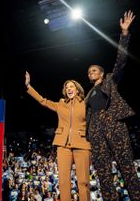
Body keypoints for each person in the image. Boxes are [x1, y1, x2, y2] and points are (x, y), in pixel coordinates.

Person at [85, 10, 140, 200]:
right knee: (102, 169)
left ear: (102, 73)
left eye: (94, 70)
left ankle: (138, 197)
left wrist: (125, 34)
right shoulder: (87, 95)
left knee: (125, 163)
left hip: (112, 121)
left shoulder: (110, 80)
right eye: (88, 72)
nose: (90, 72)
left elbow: (121, 61)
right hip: (95, 127)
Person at [25, 71, 91, 201]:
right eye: (67, 88)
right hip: (63, 145)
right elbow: (43, 101)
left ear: (77, 90)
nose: (69, 89)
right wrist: (28, 86)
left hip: (82, 143)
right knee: (63, 181)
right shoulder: (61, 104)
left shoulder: (86, 103)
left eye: (71, 87)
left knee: (83, 181)